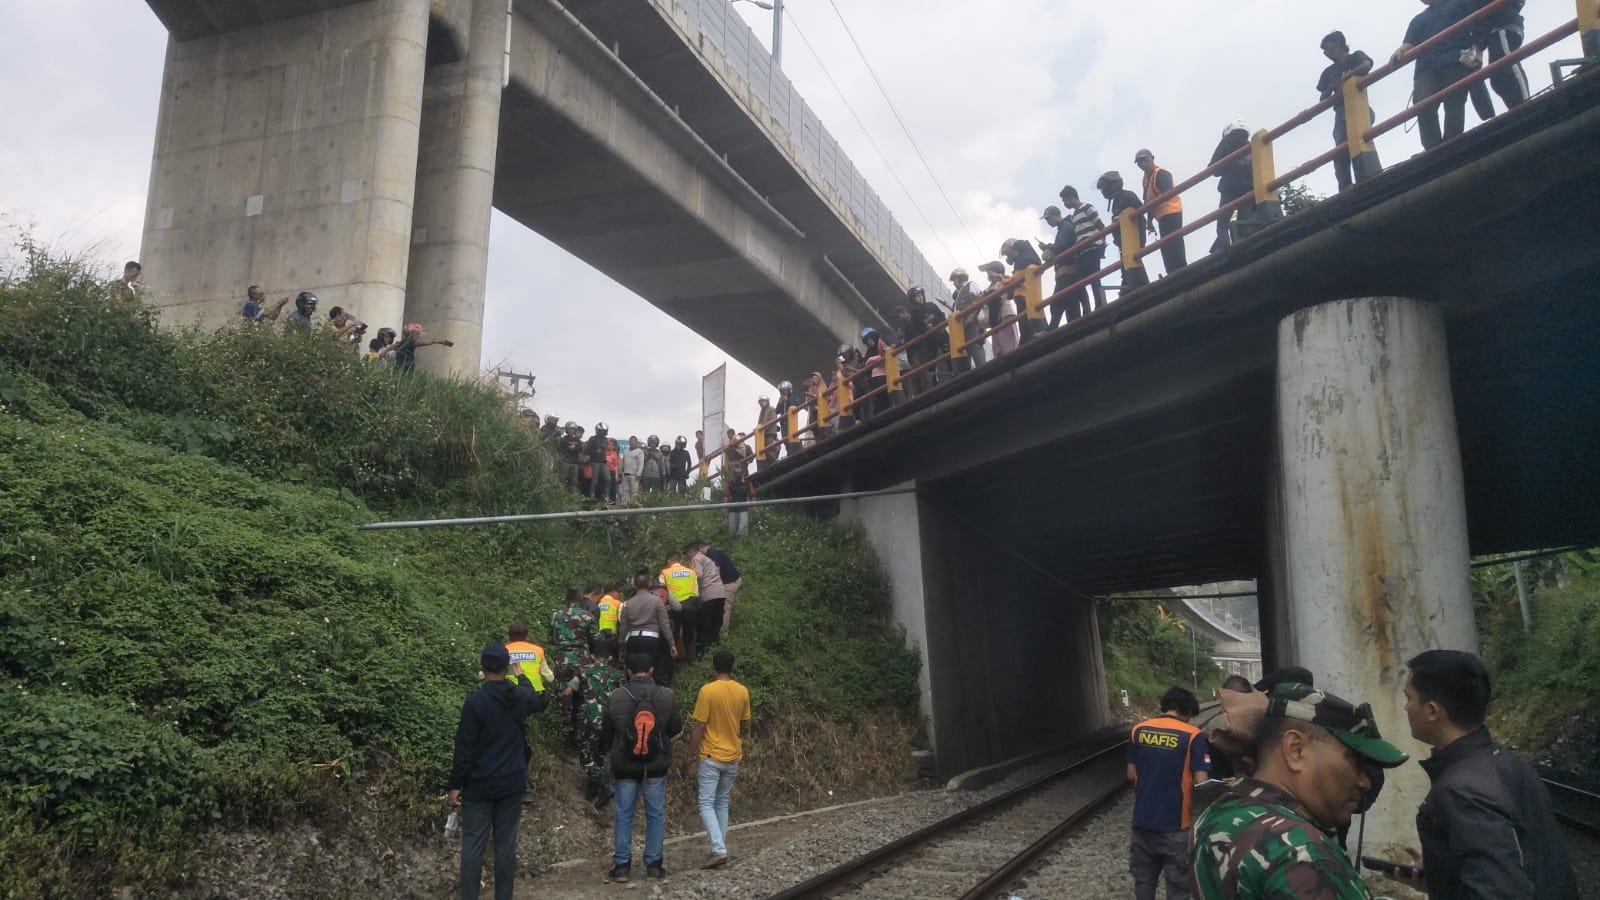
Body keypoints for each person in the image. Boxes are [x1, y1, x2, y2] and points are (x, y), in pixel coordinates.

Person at [1191, 683, 1408, 900]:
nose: (1365, 782)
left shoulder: (1219, 812)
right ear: (1296, 749)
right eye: (1354, 759)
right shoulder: (1302, 853)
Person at [1400, 650, 1577, 898]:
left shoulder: (1461, 791)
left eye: (1408, 697)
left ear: (1432, 710)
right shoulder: (1510, 765)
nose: (1405, 707)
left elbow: (1502, 892)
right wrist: (1443, 876)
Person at [446, 644, 547, 900]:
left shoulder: (475, 702)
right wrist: (521, 674)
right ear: (507, 668)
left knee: (472, 845)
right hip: (511, 783)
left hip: (478, 785)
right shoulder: (518, 696)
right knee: (505, 845)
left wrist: (455, 784)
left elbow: (465, 746)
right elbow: (538, 701)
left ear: (482, 667)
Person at [604, 652, 684, 883]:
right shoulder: (667, 695)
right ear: (651, 670)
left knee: (623, 814)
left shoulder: (616, 696)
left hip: (625, 767)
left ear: (628, 671)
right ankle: (654, 866)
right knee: (655, 814)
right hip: (656, 765)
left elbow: (607, 733)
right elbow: (675, 728)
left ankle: (621, 866)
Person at [1126, 687, 1210, 900]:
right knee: (1179, 888)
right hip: (1176, 827)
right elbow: (1202, 783)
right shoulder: (1193, 736)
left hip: (1142, 824)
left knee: (1144, 883)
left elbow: (1131, 775)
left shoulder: (1138, 730)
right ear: (1187, 711)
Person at [689, 650, 752, 870]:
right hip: (733, 754)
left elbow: (700, 725)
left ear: (713, 666)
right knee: (721, 802)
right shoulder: (742, 691)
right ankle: (720, 846)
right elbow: (742, 723)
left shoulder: (708, 691)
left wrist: (691, 750)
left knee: (706, 803)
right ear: (732, 666)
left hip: (711, 755)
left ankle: (718, 849)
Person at [1394, 0, 1475, 151]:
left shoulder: (1459, 4)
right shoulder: (1418, 20)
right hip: (1427, 68)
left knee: (1454, 102)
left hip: (1454, 60)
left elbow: (1475, 24)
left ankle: (1453, 143)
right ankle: (1433, 149)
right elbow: (1409, 43)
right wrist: (1400, 51)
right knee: (1423, 105)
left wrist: (1476, 51)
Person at [1318, 32, 1381, 193]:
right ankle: (1345, 186)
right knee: (1341, 149)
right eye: (1325, 52)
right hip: (1341, 113)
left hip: (1360, 107)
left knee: (1359, 139)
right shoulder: (1328, 72)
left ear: (1339, 44)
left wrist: (1346, 78)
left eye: (1330, 50)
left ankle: (1366, 174)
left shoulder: (1355, 57)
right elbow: (1322, 99)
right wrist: (1331, 88)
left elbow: (1367, 65)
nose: (1328, 54)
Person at [548, 588, 601, 746]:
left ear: (566, 599)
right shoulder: (587, 616)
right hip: (581, 661)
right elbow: (597, 639)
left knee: (564, 698)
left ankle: (565, 737)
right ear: (579, 599)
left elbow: (552, 637)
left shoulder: (556, 616)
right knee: (583, 698)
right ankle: (581, 735)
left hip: (561, 660)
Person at [575, 651, 625, 809]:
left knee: (586, 755)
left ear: (593, 655)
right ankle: (593, 787)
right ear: (609, 657)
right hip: (611, 718)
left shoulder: (584, 670)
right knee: (601, 753)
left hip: (591, 716)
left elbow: (570, 690)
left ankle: (604, 785)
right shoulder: (618, 675)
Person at [1466, 0, 1529, 121]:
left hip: (1504, 25)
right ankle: (1515, 109)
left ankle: (1525, 106)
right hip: (1490, 33)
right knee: (1496, 78)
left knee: (1507, 64)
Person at [1135, 149, 1187, 273]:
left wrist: (1152, 211)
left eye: (1144, 160)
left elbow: (1167, 193)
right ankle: (1172, 271)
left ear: (1152, 158)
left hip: (1172, 212)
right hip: (1162, 216)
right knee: (1166, 245)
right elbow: (1147, 201)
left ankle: (1182, 270)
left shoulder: (1161, 173)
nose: (1142, 164)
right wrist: (1149, 221)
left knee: (1174, 242)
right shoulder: (1146, 179)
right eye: (1139, 163)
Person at [1097, 172, 1150, 292]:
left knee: (1133, 259)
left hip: (1133, 238)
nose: (1103, 192)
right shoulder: (1116, 201)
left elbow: (1139, 212)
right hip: (1123, 241)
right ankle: (1129, 282)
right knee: (1126, 261)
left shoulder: (1127, 195)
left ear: (1113, 185)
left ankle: (1139, 285)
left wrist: (1122, 218)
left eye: (1104, 188)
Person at [620, 572, 677, 679]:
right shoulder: (657, 601)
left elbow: (623, 628)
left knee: (634, 669)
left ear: (635, 585)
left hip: (633, 640)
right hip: (651, 640)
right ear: (648, 584)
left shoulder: (627, 604)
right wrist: (672, 644)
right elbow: (665, 625)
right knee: (652, 669)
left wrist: (622, 648)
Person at [1209, 121, 1254, 251]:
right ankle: (1246, 246)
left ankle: (1226, 250)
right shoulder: (1251, 145)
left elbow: (1214, 168)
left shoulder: (1227, 142)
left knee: (1222, 224)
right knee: (1245, 220)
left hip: (1230, 188)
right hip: (1249, 188)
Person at [1036, 205, 1079, 328]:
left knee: (1056, 301)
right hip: (1067, 270)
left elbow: (1062, 246)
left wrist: (1048, 248)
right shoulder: (1063, 228)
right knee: (1070, 301)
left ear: (1057, 215)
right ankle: (1075, 326)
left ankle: (1051, 328)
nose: (1048, 222)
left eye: (1049, 219)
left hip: (1066, 270)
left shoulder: (1065, 227)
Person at [903, 286, 947, 395]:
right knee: (930, 372)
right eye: (917, 296)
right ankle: (932, 391)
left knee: (945, 367)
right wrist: (925, 329)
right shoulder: (914, 315)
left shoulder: (931, 306)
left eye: (921, 295)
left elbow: (943, 318)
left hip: (941, 341)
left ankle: (944, 385)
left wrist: (936, 324)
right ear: (913, 299)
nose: (921, 298)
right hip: (927, 347)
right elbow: (915, 333)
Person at [1000, 239, 1045, 343]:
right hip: (1030, 295)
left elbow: (1015, 279)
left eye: (1007, 255)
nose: (1007, 258)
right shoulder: (1030, 259)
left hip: (1023, 296)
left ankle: (1025, 342)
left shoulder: (1021, 261)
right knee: (1030, 319)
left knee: (1025, 323)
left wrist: (1003, 280)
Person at [690, 540, 727, 657]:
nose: (688, 556)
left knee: (705, 625)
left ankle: (703, 653)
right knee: (716, 623)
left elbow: (698, 575)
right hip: (720, 593)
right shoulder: (708, 559)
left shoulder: (696, 559)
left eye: (687, 553)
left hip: (709, 595)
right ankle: (716, 651)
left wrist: (689, 578)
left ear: (692, 551)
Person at [976, 261, 1021, 358]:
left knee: (1008, 346)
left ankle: (1013, 366)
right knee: (998, 348)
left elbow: (1005, 296)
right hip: (994, 319)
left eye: (989, 271)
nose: (988, 273)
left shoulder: (1004, 280)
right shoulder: (990, 286)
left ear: (996, 271)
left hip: (1005, 315)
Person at [947, 268, 987, 368]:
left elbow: (978, 300)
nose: (954, 283)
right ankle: (968, 370)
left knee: (974, 345)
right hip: (962, 325)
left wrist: (971, 316)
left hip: (971, 321)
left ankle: (982, 367)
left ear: (958, 279)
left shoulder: (971, 285)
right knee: (965, 348)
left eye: (954, 280)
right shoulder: (959, 293)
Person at [503, 621, 553, 694]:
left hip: (511, 693)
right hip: (534, 693)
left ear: (509, 636)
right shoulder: (538, 650)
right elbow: (550, 677)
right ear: (527, 636)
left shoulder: (503, 651)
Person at [706, 544, 742, 640]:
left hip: (730, 583)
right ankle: (719, 631)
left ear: (702, 547)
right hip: (727, 582)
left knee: (725, 608)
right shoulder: (713, 552)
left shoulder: (713, 553)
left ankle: (723, 635)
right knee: (721, 607)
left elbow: (715, 572)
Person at [388, 322, 454, 372]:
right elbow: (424, 342)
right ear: (412, 333)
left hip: (400, 369)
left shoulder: (400, 344)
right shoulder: (409, 342)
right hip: (405, 369)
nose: (418, 336)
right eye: (417, 334)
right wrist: (437, 341)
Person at [859, 327, 890, 420]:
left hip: (884, 376)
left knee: (883, 397)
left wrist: (871, 360)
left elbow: (885, 355)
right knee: (873, 400)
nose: (868, 342)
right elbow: (865, 365)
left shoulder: (882, 343)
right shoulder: (870, 350)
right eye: (866, 341)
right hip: (873, 379)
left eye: (868, 339)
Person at [584, 422, 613, 501]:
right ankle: (592, 497)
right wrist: (596, 451)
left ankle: (606, 497)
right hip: (595, 462)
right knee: (595, 481)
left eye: (605, 431)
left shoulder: (605, 439)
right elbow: (587, 450)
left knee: (608, 479)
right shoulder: (592, 439)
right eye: (602, 431)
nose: (604, 433)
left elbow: (612, 447)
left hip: (603, 462)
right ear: (598, 430)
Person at [724, 466, 755, 537]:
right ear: (733, 475)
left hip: (744, 509)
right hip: (732, 509)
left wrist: (753, 507)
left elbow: (752, 495)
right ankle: (733, 543)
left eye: (739, 473)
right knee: (732, 530)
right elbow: (726, 497)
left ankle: (742, 543)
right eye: (736, 474)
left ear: (743, 474)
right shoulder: (730, 484)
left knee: (743, 527)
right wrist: (725, 514)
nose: (738, 475)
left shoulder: (747, 484)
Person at [775, 381, 801, 457]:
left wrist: (787, 400)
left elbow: (796, 404)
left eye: (785, 390)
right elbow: (776, 411)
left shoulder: (794, 397)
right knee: (785, 440)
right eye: (782, 391)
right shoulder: (781, 400)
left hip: (791, 422)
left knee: (792, 438)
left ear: (789, 390)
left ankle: (795, 451)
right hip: (783, 423)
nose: (784, 393)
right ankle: (789, 453)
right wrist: (779, 402)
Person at [557, 422, 584, 492]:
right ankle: (561, 495)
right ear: (566, 430)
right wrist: (573, 449)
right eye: (570, 429)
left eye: (573, 429)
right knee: (562, 480)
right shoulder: (563, 439)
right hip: (565, 462)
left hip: (575, 463)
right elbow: (562, 449)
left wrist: (570, 449)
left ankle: (573, 497)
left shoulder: (578, 440)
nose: (572, 431)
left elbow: (579, 449)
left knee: (574, 482)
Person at [756, 397, 779, 469]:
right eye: (761, 401)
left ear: (767, 401)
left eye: (764, 401)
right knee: (764, 450)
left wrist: (764, 428)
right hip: (764, 433)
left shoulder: (771, 409)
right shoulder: (762, 411)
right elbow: (759, 423)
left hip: (770, 432)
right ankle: (770, 464)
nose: (762, 403)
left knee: (768, 449)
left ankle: (775, 463)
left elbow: (772, 420)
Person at [620, 436, 645, 504]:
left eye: (634, 441)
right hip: (625, 474)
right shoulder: (625, 451)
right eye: (631, 441)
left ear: (636, 443)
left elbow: (641, 463)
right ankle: (625, 506)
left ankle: (633, 506)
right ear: (629, 442)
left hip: (634, 475)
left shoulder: (639, 452)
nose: (632, 442)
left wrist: (639, 473)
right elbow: (623, 462)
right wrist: (621, 472)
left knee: (634, 491)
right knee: (625, 491)